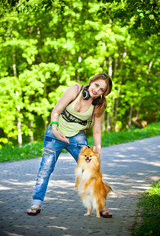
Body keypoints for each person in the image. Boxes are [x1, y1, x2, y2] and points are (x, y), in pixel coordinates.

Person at [27, 72, 113, 218]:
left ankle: (101, 205)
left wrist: (98, 149)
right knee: (45, 169)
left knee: (91, 171)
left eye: (101, 90)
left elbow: (97, 130)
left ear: (103, 94)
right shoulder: (75, 90)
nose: (96, 90)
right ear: (91, 81)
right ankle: (36, 203)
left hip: (77, 137)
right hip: (55, 133)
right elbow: (56, 111)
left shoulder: (98, 105)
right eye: (96, 85)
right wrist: (54, 127)